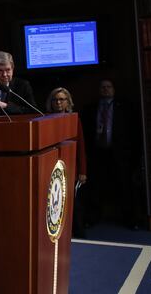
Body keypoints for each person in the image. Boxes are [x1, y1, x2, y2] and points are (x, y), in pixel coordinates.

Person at [81, 79, 143, 229]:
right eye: (103, 87)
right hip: (98, 154)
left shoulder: (125, 107)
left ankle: (130, 219)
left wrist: (134, 155)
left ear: (114, 89)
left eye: (109, 87)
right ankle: (93, 217)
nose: (106, 89)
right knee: (96, 187)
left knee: (125, 187)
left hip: (120, 154)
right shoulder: (91, 108)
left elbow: (133, 131)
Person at [46, 87, 88, 237]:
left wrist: (82, 171)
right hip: (51, 168)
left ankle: (78, 231)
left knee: (74, 203)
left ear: (68, 102)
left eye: (61, 99)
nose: (58, 102)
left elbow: (81, 147)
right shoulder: (45, 119)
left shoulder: (74, 119)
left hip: (71, 168)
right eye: (55, 100)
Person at [0, 51, 38, 115]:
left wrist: (6, 106)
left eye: (8, 70)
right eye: (0, 71)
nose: (4, 74)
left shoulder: (22, 85)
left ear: (12, 70)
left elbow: (33, 111)